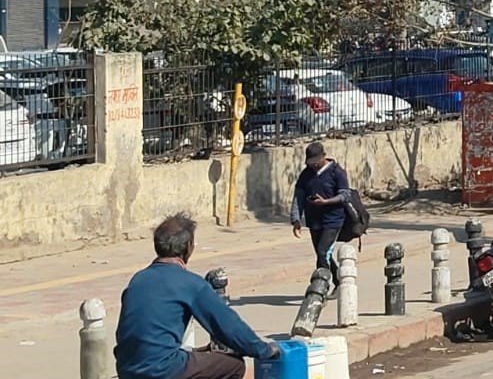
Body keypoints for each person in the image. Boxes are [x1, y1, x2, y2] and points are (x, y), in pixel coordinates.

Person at [114, 214, 279, 379]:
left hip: (127, 368)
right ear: (188, 246)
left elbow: (137, 335)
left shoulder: (138, 280)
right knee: (234, 365)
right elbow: (228, 326)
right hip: (162, 370)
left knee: (197, 359)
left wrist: (195, 352)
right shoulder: (190, 283)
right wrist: (264, 350)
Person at [291, 141, 350, 270]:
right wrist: (296, 220)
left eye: (316, 162)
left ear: (324, 156)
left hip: (333, 220)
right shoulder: (306, 174)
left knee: (323, 252)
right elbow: (298, 197)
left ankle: (322, 280)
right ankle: (336, 278)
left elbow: (345, 195)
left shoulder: (336, 172)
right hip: (314, 221)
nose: (314, 165)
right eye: (311, 163)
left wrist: (326, 202)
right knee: (321, 254)